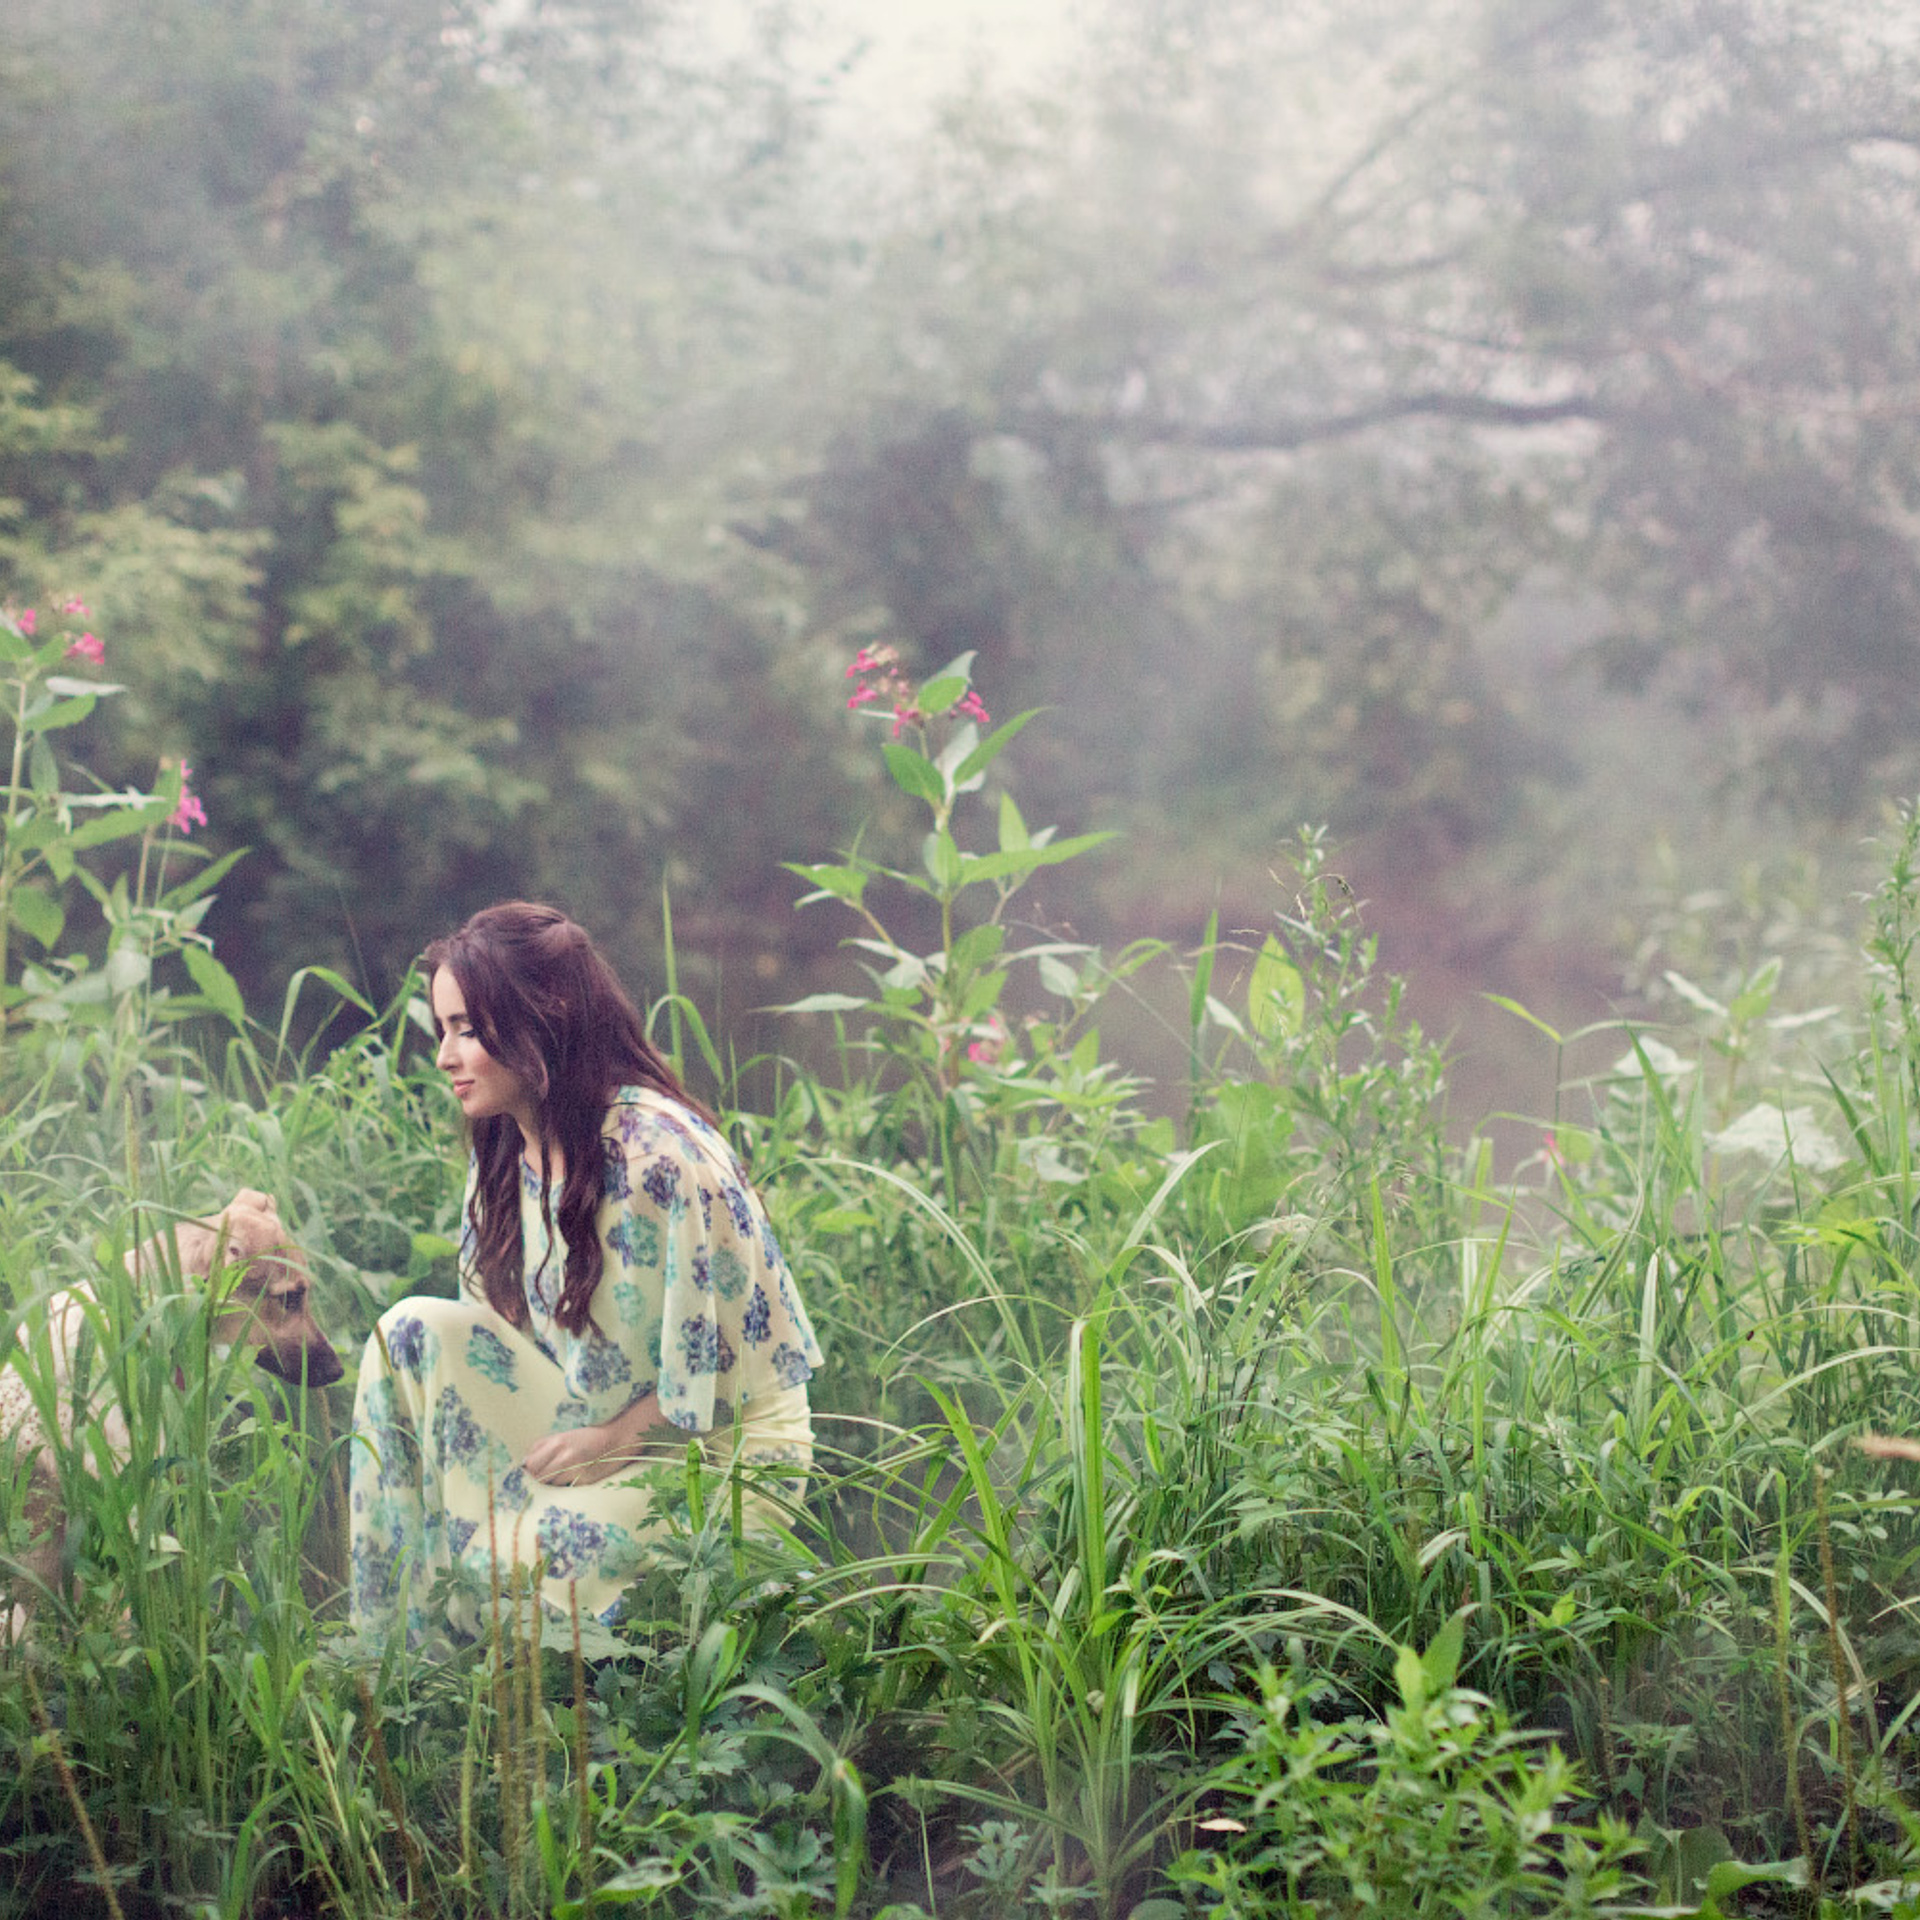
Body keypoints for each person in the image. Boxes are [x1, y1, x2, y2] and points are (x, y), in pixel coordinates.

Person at [349, 901, 824, 1642]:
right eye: (442, 1030)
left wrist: (612, 1441)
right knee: (406, 1330)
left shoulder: (662, 1159)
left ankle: (518, 1639)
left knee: (486, 1575)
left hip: (716, 1454)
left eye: (467, 1030)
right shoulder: (505, 1151)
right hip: (587, 1421)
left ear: (544, 1016)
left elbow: (732, 1377)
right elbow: (496, 1344)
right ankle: (390, 1663)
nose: (444, 1057)